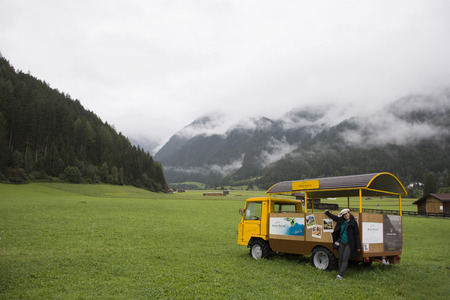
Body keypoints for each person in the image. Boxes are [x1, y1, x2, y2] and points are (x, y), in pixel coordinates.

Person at [325, 208, 362, 280]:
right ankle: (339, 272)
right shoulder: (341, 221)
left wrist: (358, 246)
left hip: (349, 244)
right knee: (341, 258)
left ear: (349, 213)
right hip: (341, 243)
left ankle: (340, 275)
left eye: (346, 214)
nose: (346, 215)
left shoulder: (353, 223)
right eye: (344, 215)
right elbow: (334, 217)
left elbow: (356, 235)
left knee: (345, 258)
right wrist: (327, 213)